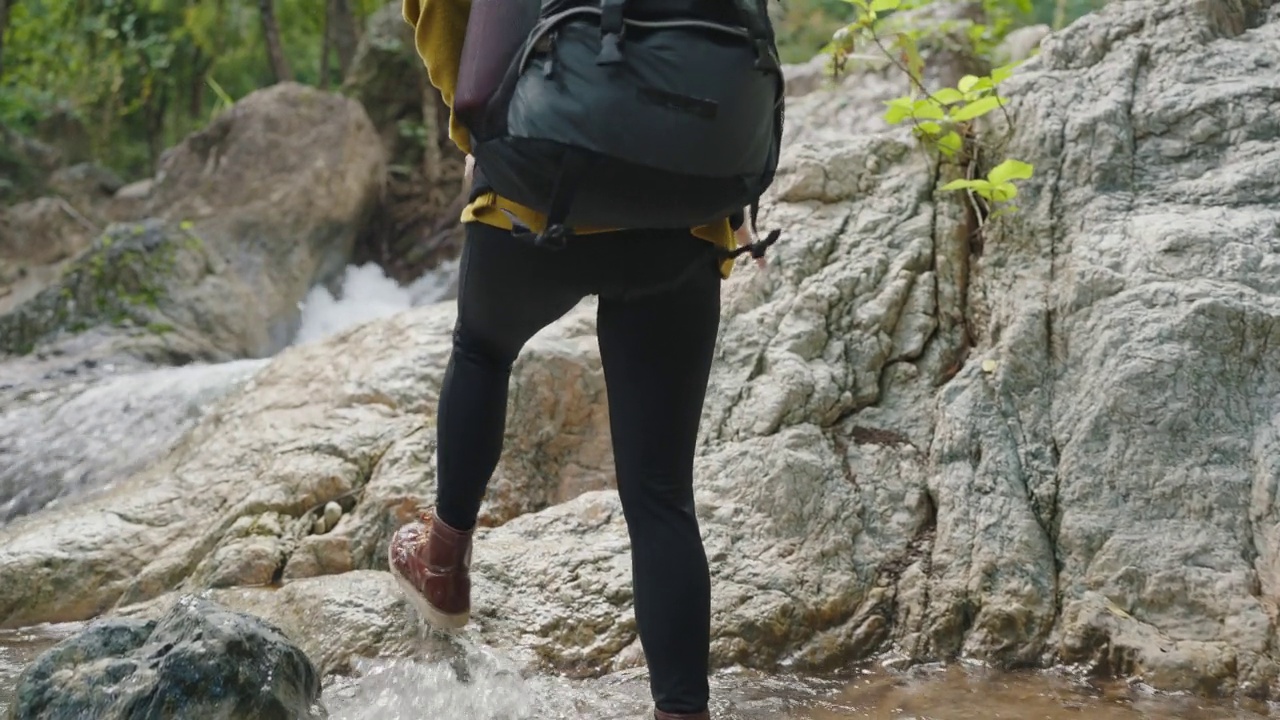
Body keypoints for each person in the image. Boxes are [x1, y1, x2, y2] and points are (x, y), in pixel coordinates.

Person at [389, 3, 769, 719]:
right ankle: (681, 711)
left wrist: (481, 121)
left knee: (482, 350)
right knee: (660, 495)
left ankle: (443, 564)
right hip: (685, 208)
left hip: (539, 182)